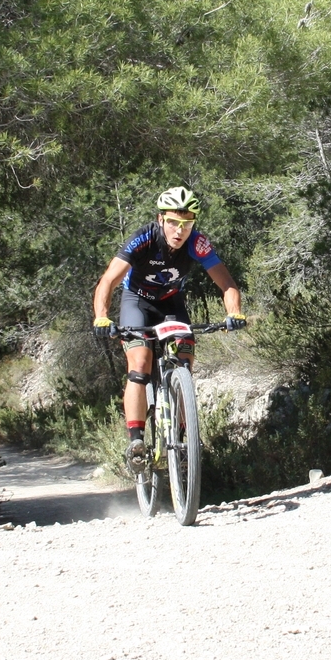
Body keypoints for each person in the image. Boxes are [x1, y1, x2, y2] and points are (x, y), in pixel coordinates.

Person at [92, 187, 246, 471]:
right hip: (137, 302)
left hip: (171, 304)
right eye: (173, 222)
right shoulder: (143, 239)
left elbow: (227, 283)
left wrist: (234, 312)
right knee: (140, 365)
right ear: (161, 219)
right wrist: (101, 317)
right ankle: (136, 442)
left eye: (187, 223)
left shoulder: (197, 243)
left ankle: (185, 441)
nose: (180, 230)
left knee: (184, 360)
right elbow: (108, 281)